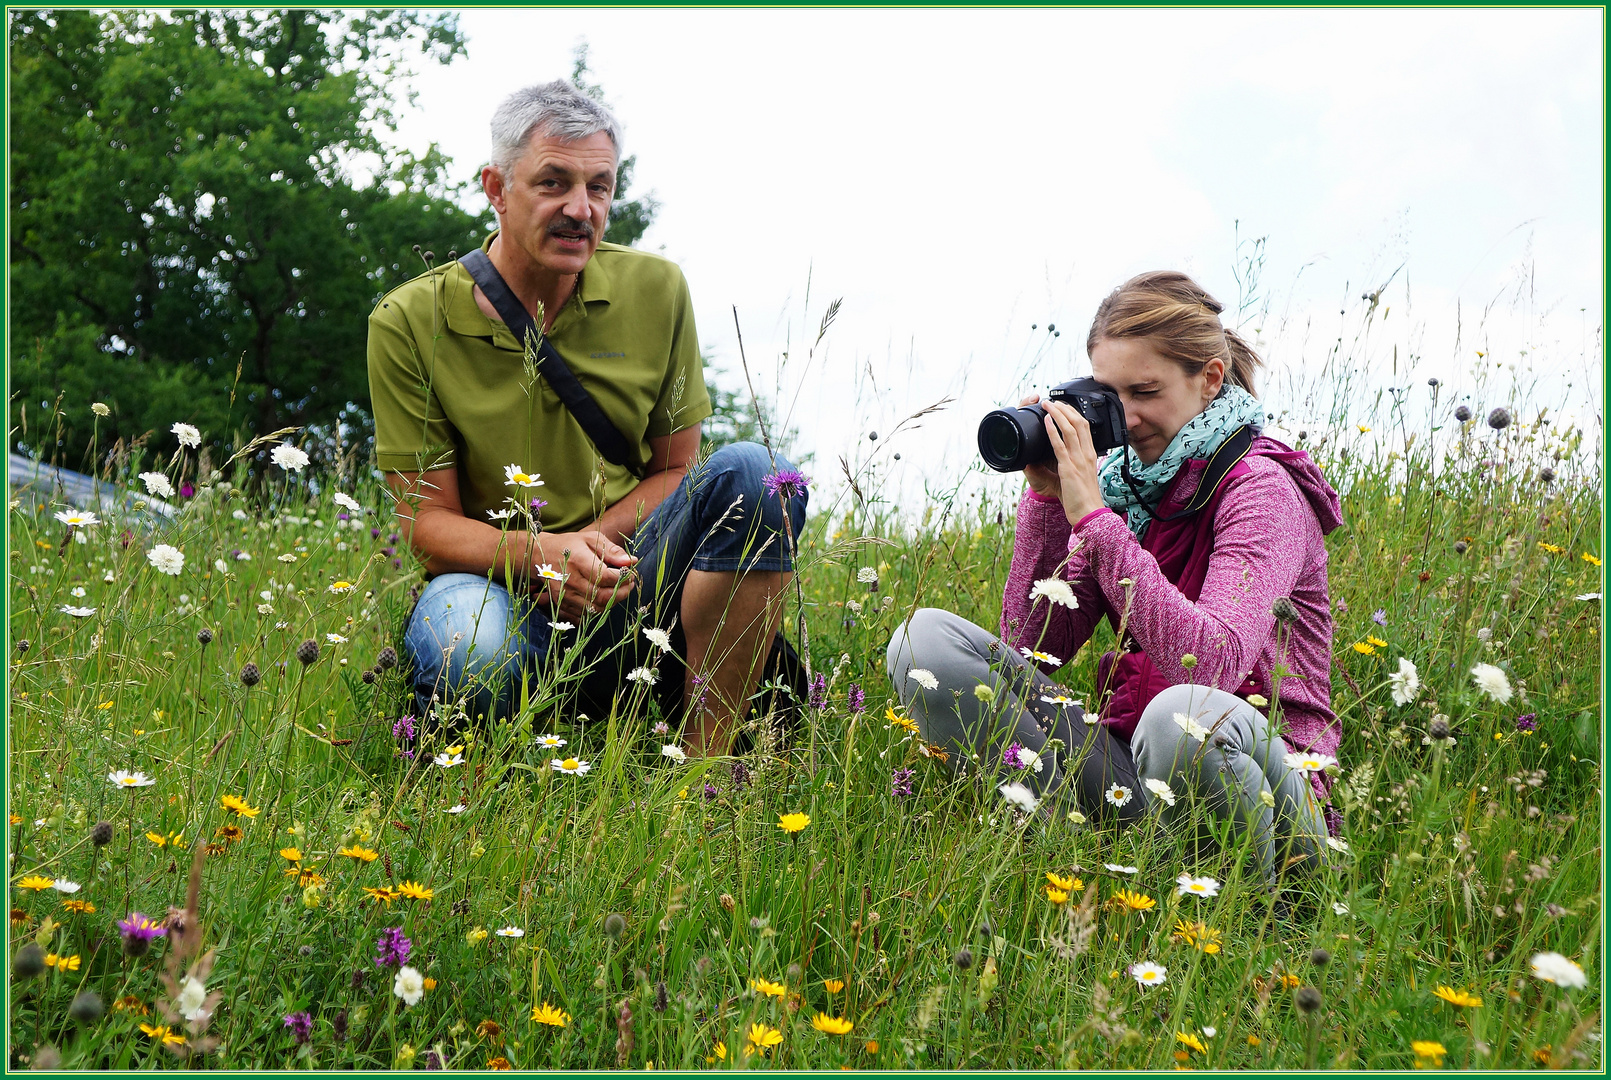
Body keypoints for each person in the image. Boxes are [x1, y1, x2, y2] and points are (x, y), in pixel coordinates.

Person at [367, 80, 807, 754]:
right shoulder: (407, 321)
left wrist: (586, 552)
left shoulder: (656, 288)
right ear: (495, 186)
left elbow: (675, 470)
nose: (580, 209)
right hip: (499, 589)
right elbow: (425, 526)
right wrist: (541, 559)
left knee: (759, 473)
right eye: (553, 183)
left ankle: (704, 766)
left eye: (599, 187)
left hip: (632, 575)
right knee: (466, 652)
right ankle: (495, 755)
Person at [887, 271, 1345, 883]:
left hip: (1266, 804)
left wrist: (1097, 522)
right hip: (1140, 775)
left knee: (1179, 716)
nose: (1123, 419)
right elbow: (1031, 648)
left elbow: (1211, 664)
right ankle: (1086, 868)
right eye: (1107, 396)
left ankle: (1276, 909)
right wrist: (1051, 499)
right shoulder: (1130, 491)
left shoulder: (1262, 489)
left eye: (1144, 391)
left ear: (1209, 379)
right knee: (926, 644)